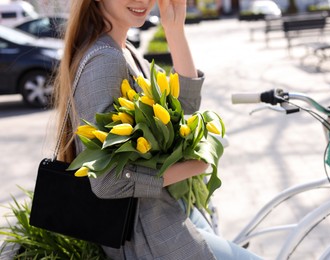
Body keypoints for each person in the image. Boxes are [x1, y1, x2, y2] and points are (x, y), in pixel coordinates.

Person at [54, 0, 263, 259]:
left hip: (169, 212)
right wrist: (193, 166)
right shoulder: (105, 60)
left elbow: (184, 106)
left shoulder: (124, 48)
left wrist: (175, 29)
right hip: (150, 235)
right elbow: (106, 182)